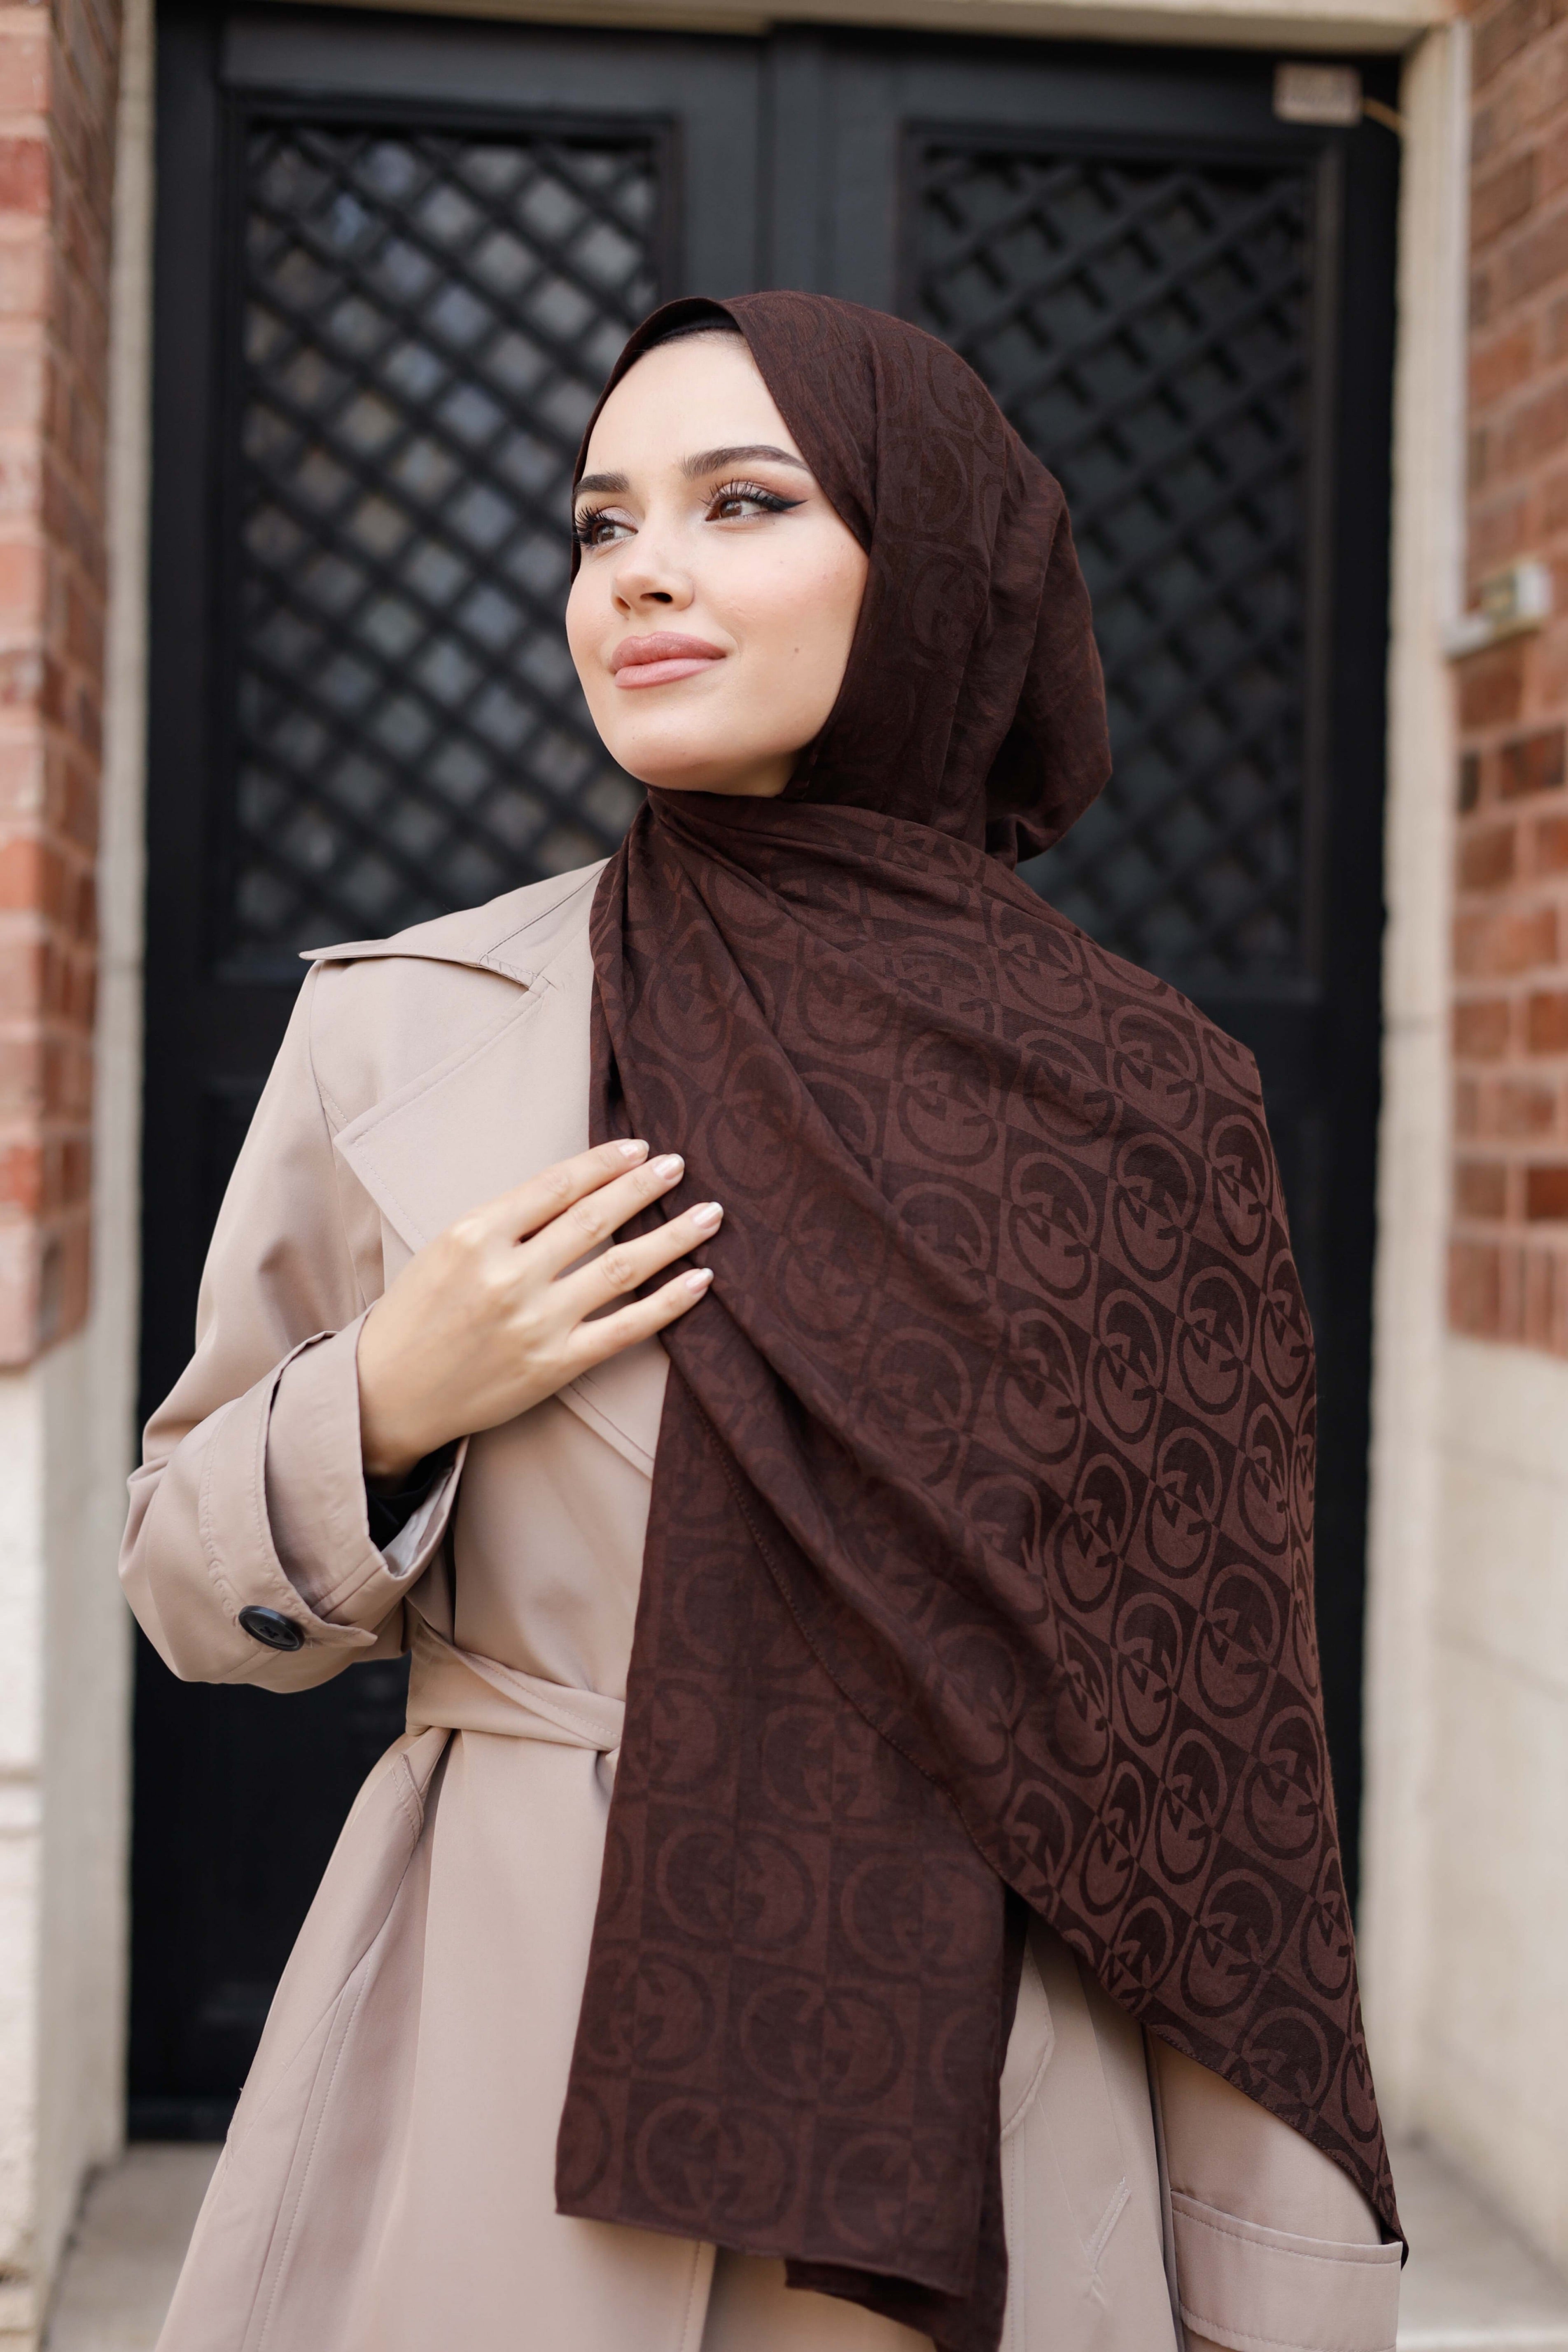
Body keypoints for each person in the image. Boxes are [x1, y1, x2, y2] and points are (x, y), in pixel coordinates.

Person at [122, 293, 1403, 2352]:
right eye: (600, 520)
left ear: (934, 569)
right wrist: (384, 1401)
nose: (641, 571)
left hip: (991, 2130)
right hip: (498, 2086)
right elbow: (192, 1598)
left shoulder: (1148, 1105)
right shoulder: (408, 1028)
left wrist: (1273, 2291)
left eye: (743, 502)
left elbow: (1221, 1774)